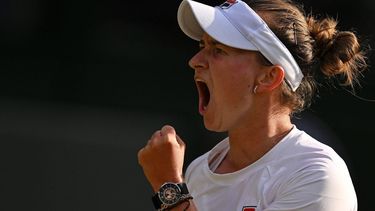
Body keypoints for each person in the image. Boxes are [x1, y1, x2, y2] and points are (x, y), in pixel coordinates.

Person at [138, 0, 368, 210]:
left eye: (218, 50)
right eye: (202, 47)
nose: (195, 61)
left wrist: (169, 186)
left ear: (269, 77)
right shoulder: (198, 172)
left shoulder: (317, 174)